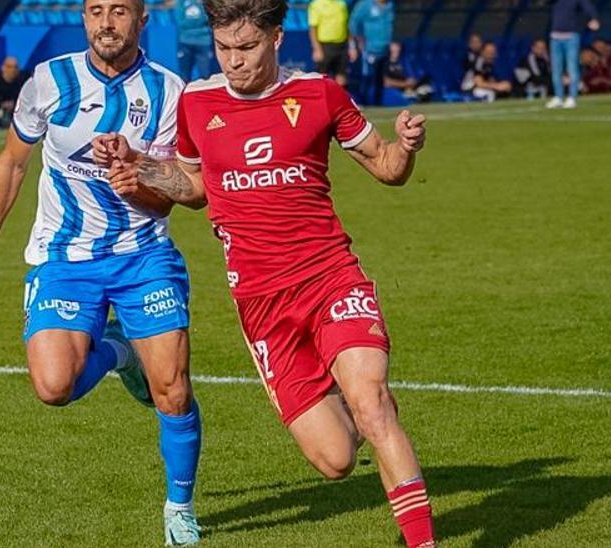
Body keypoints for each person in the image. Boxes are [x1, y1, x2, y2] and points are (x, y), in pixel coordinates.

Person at [99, 0, 434, 544]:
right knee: (336, 459)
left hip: (330, 278)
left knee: (372, 403)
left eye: (247, 48)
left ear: (277, 39)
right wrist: (140, 168)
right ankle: (355, 398)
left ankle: (423, 537)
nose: (234, 61)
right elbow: (195, 188)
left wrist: (407, 147)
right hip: (262, 306)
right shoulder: (197, 102)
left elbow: (388, 168)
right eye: (224, 49)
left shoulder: (319, 94)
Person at [0, 0, 203, 543]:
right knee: (53, 387)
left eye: (119, 11)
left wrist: (136, 173)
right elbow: (13, 162)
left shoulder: (169, 93)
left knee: (173, 391)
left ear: (142, 21)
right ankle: (116, 350)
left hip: (143, 254)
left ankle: (179, 507)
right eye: (95, 11)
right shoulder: (48, 80)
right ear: (85, 19)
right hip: (64, 256)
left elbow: (181, 196)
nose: (106, 23)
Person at [546, 0, 598, 108]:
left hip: (571, 36)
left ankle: (572, 97)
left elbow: (588, 7)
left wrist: (593, 18)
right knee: (556, 69)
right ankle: (558, 97)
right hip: (555, 36)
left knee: (572, 67)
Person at [350, 0, 394, 105]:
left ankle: (377, 104)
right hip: (368, 48)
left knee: (380, 78)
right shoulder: (365, 5)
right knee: (367, 77)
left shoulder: (390, 5)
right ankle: (362, 103)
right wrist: (358, 40)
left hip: (385, 48)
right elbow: (353, 23)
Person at [307, 0, 350, 87]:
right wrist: (317, 49)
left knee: (341, 79)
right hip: (324, 46)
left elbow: (347, 26)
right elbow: (313, 29)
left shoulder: (342, 4)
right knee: (321, 79)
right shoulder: (316, 4)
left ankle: (339, 100)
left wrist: (351, 46)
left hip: (342, 46)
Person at [174, 0, 215, 81]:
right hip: (185, 42)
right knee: (184, 76)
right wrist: (199, 24)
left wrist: (194, 22)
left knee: (206, 76)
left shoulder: (205, 2)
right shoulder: (181, 2)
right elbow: (180, 22)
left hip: (204, 42)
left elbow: (209, 19)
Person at [0, 56, 27, 127]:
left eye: (15, 67)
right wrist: (2, 105)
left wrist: (14, 104)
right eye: (9, 67)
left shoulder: (23, 82)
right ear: (2, 68)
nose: (13, 70)